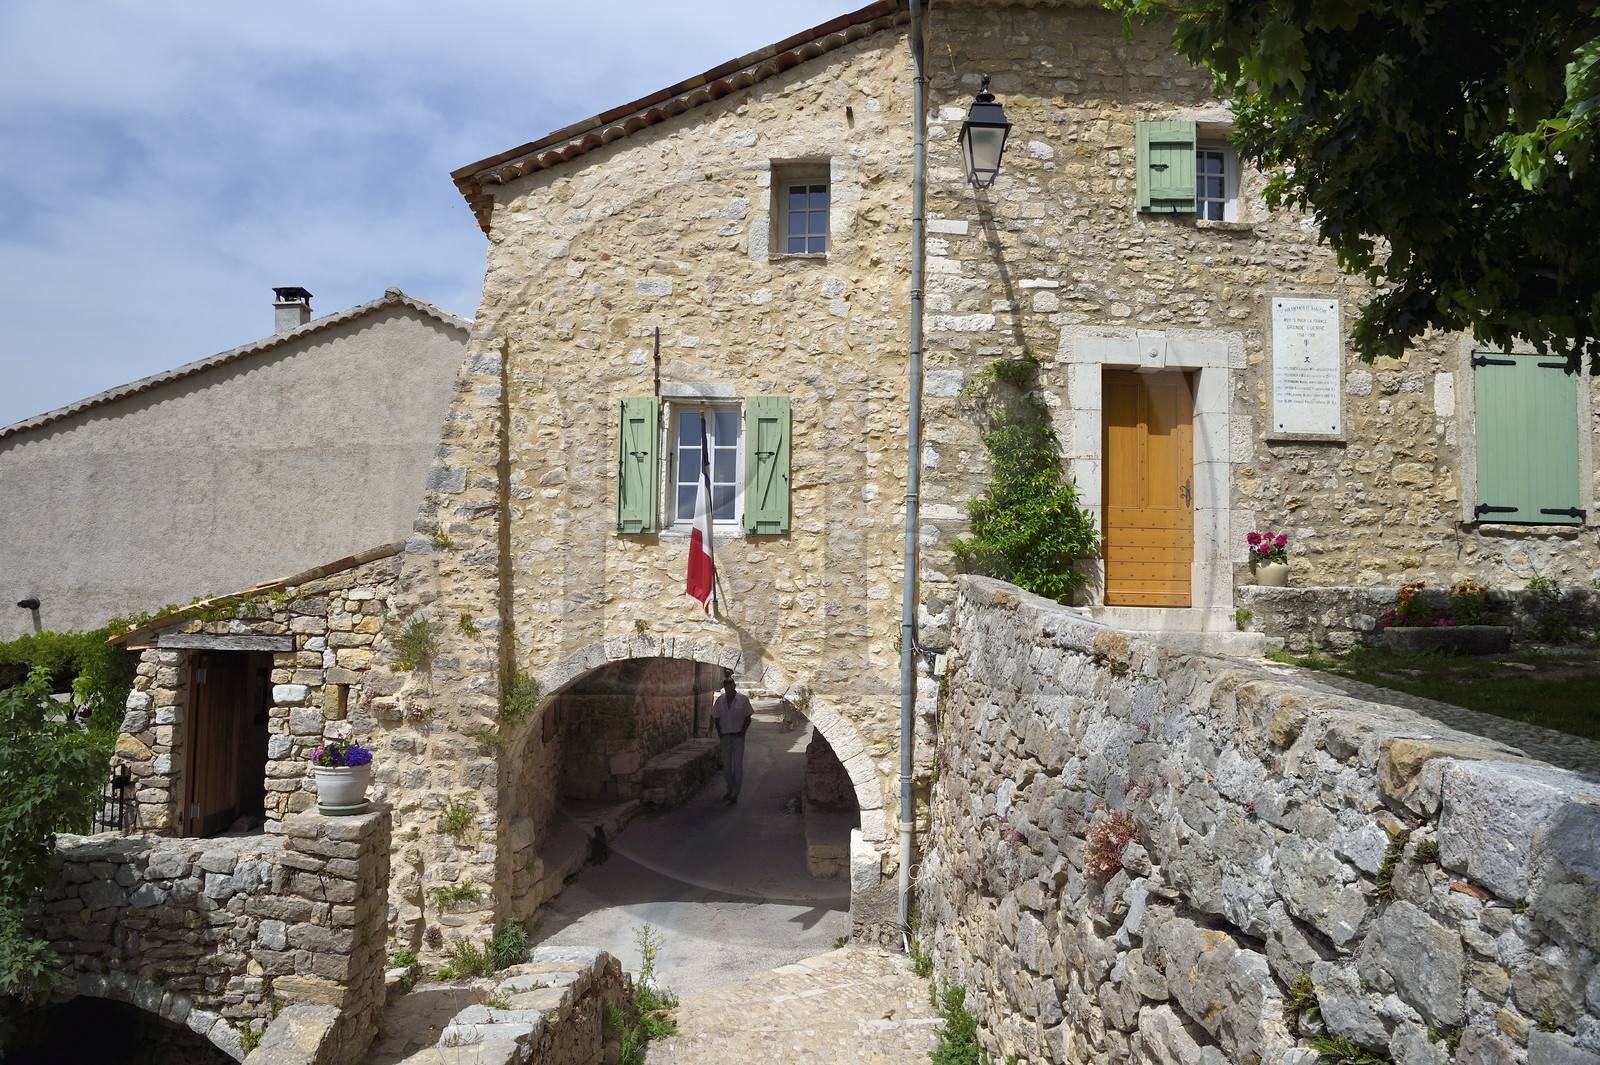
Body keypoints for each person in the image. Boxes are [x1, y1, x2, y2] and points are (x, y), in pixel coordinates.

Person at [710, 676, 754, 804]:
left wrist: (742, 732)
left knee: (737, 765)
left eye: (730, 686)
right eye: (726, 687)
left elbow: (748, 718)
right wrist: (720, 734)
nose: (728, 689)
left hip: (738, 737)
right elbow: (716, 718)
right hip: (725, 737)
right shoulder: (720, 701)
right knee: (727, 766)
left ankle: (735, 792)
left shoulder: (742, 700)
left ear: (734, 686)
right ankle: (730, 788)